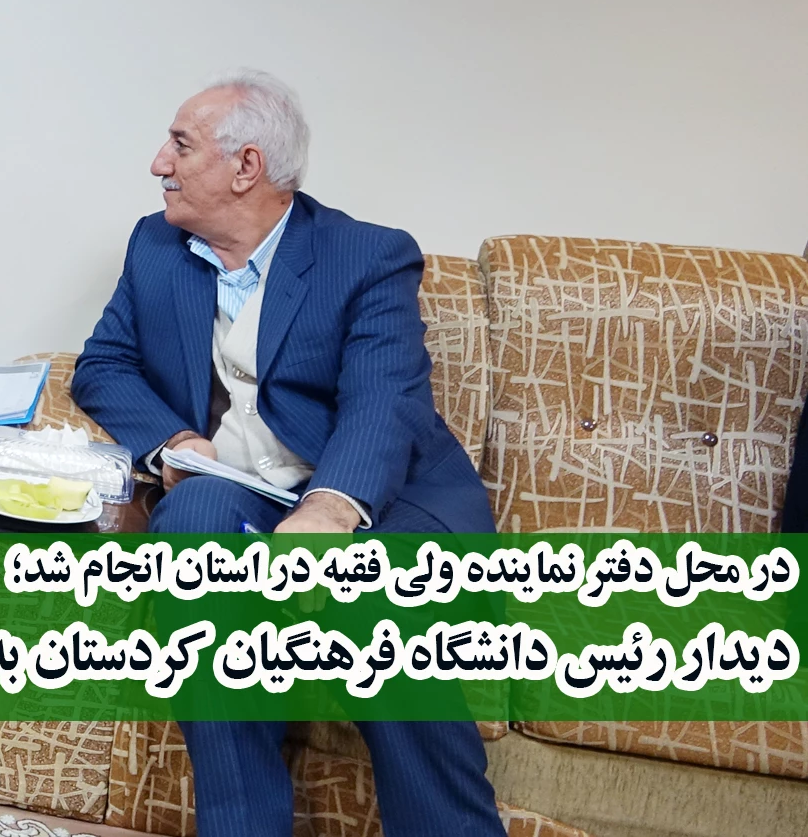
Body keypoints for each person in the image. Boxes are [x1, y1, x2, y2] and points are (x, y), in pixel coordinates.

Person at [69, 69, 503, 837]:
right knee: (191, 527)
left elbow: (384, 400)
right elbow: (104, 363)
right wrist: (174, 440)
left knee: (377, 596)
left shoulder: (365, 256)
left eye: (180, 145)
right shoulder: (156, 246)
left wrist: (330, 511)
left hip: (384, 502)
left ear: (247, 166)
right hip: (245, 490)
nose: (158, 163)